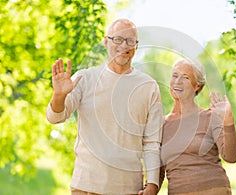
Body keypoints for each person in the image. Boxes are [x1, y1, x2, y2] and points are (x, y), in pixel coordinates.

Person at [46, 18, 163, 195]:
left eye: (130, 41)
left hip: (129, 188)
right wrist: (59, 95)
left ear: (136, 46)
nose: (124, 45)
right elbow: (55, 117)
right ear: (105, 41)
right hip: (86, 186)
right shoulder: (85, 78)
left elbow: (152, 142)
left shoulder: (149, 86)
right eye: (117, 39)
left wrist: (152, 184)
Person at [159, 58, 236, 195]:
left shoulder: (210, 117)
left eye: (185, 77)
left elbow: (231, 157)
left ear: (197, 86)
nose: (177, 81)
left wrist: (228, 121)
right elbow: (158, 172)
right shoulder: (161, 125)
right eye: (175, 75)